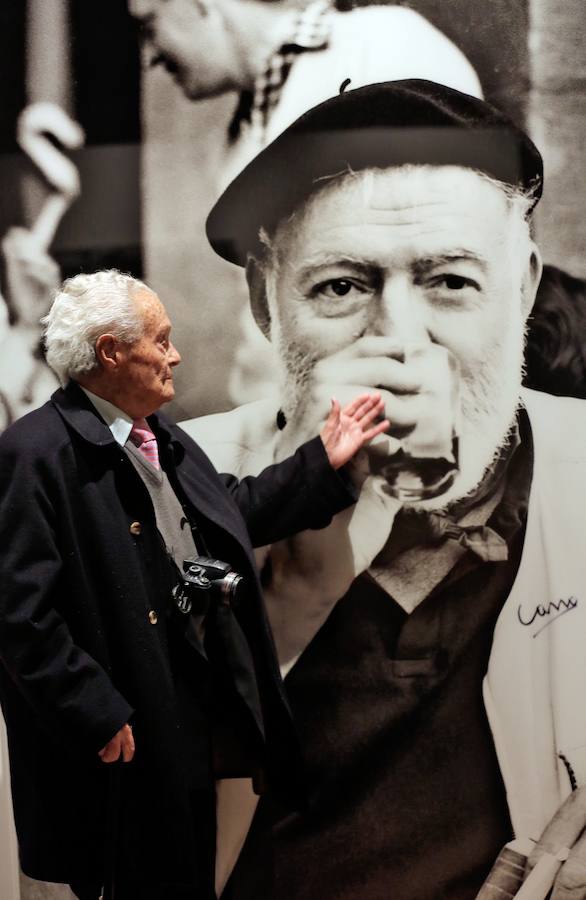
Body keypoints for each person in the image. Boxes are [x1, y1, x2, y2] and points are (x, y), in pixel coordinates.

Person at [184, 80, 586, 898]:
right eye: (341, 287)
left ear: (523, 288)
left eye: (450, 282)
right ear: (267, 304)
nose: (398, 341)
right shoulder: (151, 497)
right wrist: (281, 599)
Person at [0, 269, 388, 900]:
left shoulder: (159, 437)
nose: (175, 354)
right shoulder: (35, 452)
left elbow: (229, 510)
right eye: (161, 339)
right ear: (110, 352)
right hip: (117, 736)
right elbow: (19, 615)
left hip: (182, 714)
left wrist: (321, 461)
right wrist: (93, 710)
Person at [127, 0, 482, 405]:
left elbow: (434, 258)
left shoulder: (385, 44)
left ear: (203, 5)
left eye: (149, 25)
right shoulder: (252, 114)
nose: (149, 57)